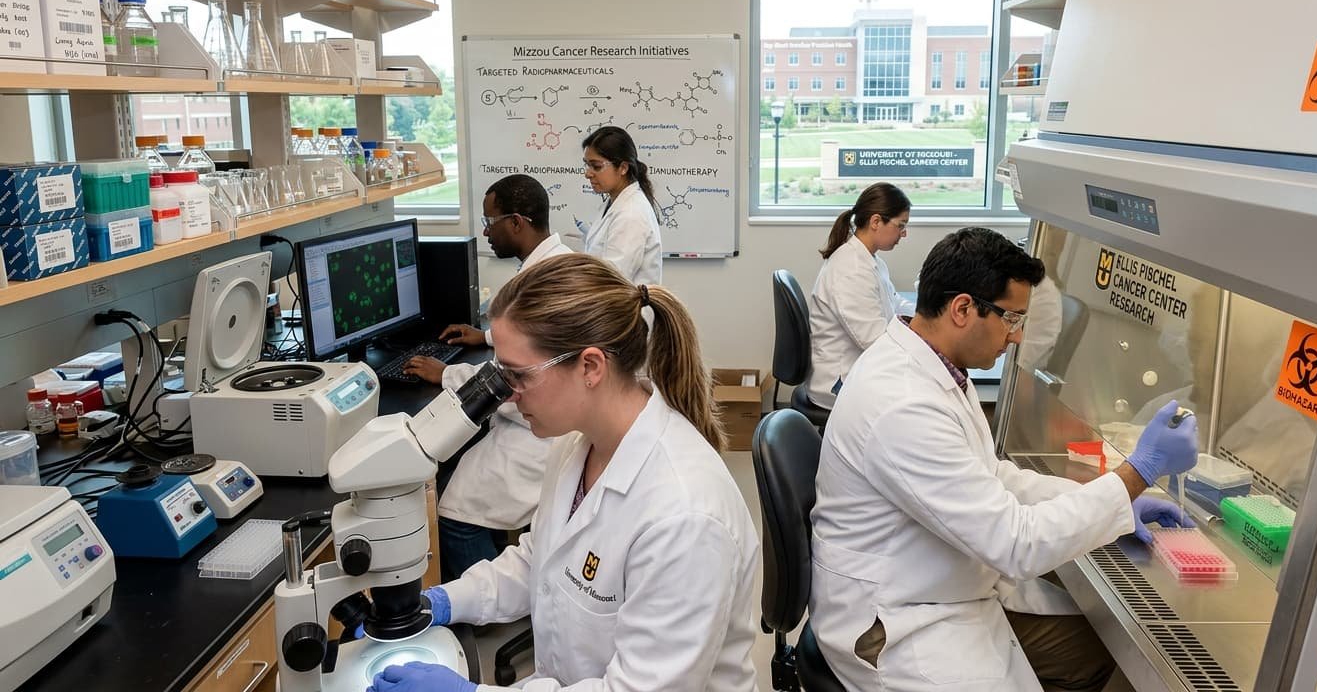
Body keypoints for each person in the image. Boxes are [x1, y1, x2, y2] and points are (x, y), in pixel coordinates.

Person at [808, 227, 1198, 692]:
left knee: (1099, 650)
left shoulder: (939, 367)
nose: (1017, 337)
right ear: (963, 309)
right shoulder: (903, 404)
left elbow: (991, 475)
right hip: (895, 622)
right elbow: (1016, 544)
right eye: (1012, 319)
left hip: (939, 587)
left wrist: (1112, 494)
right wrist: (1137, 476)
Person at [370, 254, 759, 692]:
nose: (506, 396)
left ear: (590, 367)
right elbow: (541, 559)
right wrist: (441, 601)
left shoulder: (685, 516)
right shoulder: (577, 443)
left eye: (517, 375)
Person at [401, 174, 575, 578]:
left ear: (516, 222)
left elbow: (511, 380)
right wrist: (487, 336)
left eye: (490, 220)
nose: (485, 231)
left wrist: (446, 373)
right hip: (548, 422)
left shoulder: (535, 284)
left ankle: (491, 596)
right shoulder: (557, 262)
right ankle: (500, 561)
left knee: (452, 510)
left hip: (539, 434)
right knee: (460, 465)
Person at [806, 182, 914, 409]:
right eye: (900, 225)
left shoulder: (870, 260)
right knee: (915, 398)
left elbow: (893, 301)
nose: (904, 233)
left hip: (858, 370)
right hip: (839, 384)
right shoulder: (851, 270)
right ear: (876, 222)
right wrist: (923, 340)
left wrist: (927, 317)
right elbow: (874, 341)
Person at [579, 126, 663, 286]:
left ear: (623, 168)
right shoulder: (614, 204)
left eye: (596, 166)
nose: (588, 173)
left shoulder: (631, 213)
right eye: (587, 165)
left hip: (624, 309)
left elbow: (613, 281)